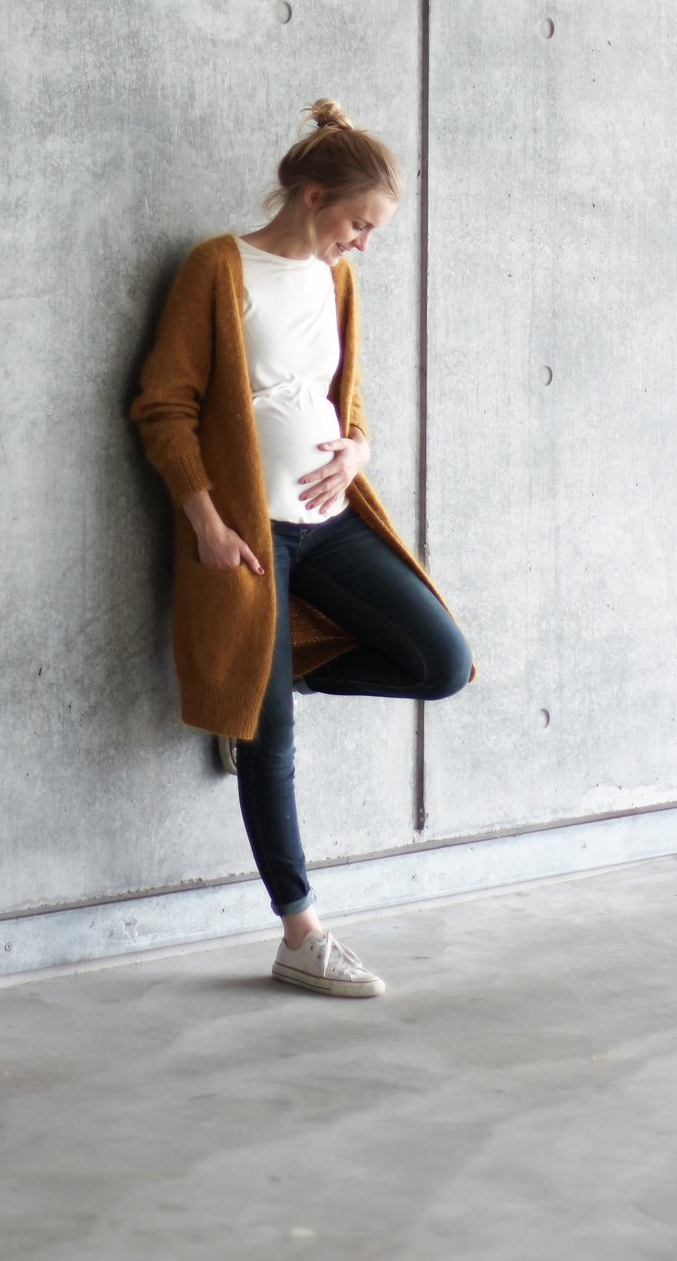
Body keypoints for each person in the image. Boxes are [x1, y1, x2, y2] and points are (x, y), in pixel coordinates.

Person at [130, 99, 474, 998]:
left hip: (333, 525)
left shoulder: (338, 281)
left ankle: (279, 679)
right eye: (360, 223)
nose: (363, 243)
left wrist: (358, 449)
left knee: (441, 662)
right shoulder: (217, 267)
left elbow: (343, 397)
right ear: (314, 195)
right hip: (249, 540)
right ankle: (300, 933)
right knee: (271, 746)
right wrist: (206, 522)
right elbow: (163, 404)